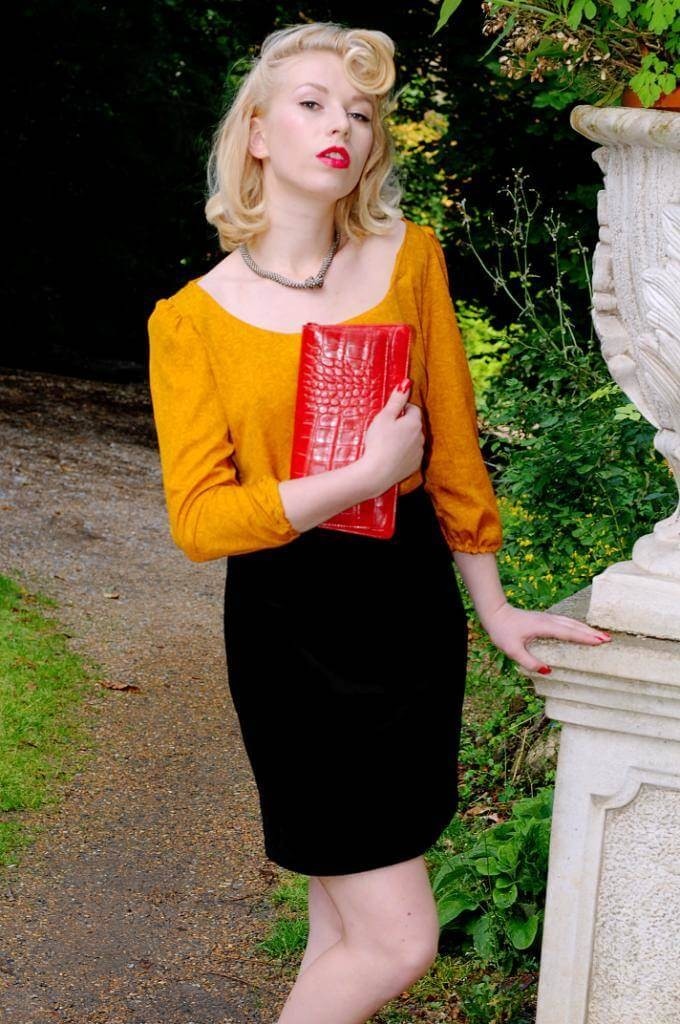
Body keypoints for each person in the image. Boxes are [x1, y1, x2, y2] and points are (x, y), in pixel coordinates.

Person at [147, 21, 612, 1024]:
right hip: (291, 625)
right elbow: (199, 520)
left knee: (345, 933)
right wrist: (356, 474)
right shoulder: (191, 319)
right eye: (313, 104)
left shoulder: (409, 257)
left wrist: (493, 607)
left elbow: (453, 448)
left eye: (360, 114)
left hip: (407, 610)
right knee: (398, 941)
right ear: (257, 133)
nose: (341, 128)